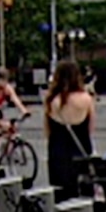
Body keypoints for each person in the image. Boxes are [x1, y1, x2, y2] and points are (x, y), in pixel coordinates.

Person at [44, 60, 97, 203]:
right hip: (81, 153)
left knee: (61, 197)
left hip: (58, 154)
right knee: (84, 196)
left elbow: (48, 131)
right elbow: (90, 128)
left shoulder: (51, 100)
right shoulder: (86, 99)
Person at [0, 67, 30, 155]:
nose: (5, 82)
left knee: (10, 129)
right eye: (3, 80)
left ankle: (6, 153)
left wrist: (24, 110)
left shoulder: (7, 88)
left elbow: (15, 99)